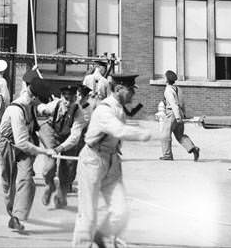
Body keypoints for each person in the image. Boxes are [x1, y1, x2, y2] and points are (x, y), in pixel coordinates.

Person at [72, 72, 151, 248]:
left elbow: (122, 130)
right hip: (93, 159)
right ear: (118, 89)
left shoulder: (120, 108)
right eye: (130, 90)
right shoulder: (104, 110)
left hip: (111, 159)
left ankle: (101, 235)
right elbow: (119, 131)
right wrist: (144, 134)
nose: (133, 94)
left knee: (120, 210)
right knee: (88, 215)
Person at [0, 68, 56, 233]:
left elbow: (40, 118)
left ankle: (16, 217)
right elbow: (21, 142)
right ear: (33, 96)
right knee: (8, 182)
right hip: (8, 144)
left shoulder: (32, 102)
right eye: (40, 100)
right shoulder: (17, 109)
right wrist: (44, 152)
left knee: (26, 179)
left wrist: (59, 103)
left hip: (25, 144)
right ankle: (11, 211)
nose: (40, 104)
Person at [37, 85, 86, 208]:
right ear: (61, 97)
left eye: (71, 99)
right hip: (52, 132)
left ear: (76, 98)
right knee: (49, 166)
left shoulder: (79, 113)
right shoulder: (55, 104)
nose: (68, 102)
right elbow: (41, 107)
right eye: (65, 98)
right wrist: (41, 108)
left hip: (68, 139)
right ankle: (49, 185)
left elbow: (74, 137)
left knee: (68, 168)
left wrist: (60, 148)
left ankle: (61, 193)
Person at [160, 69, 200, 161]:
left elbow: (173, 104)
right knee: (180, 135)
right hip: (180, 113)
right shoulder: (178, 89)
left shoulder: (168, 90)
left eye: (164, 76)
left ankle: (167, 155)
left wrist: (177, 117)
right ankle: (193, 148)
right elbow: (182, 103)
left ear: (167, 79)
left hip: (172, 114)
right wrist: (183, 115)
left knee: (165, 135)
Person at [67, 84, 93, 195]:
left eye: (83, 96)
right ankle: (66, 183)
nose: (80, 98)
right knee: (68, 161)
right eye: (78, 95)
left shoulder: (88, 109)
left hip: (82, 137)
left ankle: (70, 183)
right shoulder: (73, 105)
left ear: (87, 97)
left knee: (76, 161)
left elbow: (84, 124)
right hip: (69, 134)